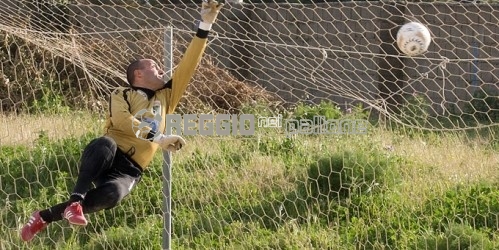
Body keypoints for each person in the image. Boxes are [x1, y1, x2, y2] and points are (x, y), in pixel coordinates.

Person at [20, 0, 224, 242]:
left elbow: (189, 65)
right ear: (138, 74)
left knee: (114, 195)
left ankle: (43, 217)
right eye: (154, 67)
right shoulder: (121, 94)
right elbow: (123, 121)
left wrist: (205, 24)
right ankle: (76, 201)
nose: (162, 70)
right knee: (104, 143)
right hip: (109, 155)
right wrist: (159, 137)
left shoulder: (167, 96)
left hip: (131, 170)